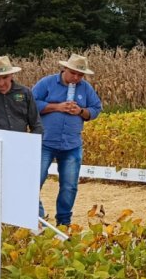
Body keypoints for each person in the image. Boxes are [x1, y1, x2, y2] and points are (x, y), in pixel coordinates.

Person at [33, 53, 103, 226]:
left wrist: (80, 111)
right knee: (34, 181)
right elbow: (31, 103)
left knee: (69, 186)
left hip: (72, 144)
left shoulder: (85, 88)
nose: (76, 78)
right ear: (64, 68)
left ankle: (63, 223)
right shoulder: (47, 83)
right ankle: (37, 217)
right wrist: (57, 106)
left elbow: (96, 108)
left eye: (80, 75)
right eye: (73, 73)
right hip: (45, 142)